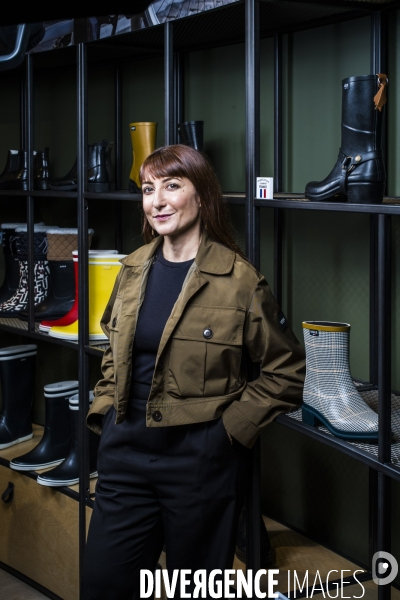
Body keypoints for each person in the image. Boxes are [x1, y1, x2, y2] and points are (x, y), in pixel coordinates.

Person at [81, 144, 305, 599]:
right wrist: (105, 411)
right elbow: (113, 346)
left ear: (201, 196)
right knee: (104, 585)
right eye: (148, 189)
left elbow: (286, 371)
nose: (157, 200)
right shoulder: (133, 268)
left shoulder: (240, 281)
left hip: (198, 466)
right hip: (124, 455)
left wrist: (225, 435)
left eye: (172, 186)